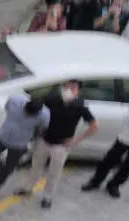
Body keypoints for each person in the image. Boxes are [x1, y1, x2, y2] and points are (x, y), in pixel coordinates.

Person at [16, 80, 98, 209]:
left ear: (78, 91)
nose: (68, 90)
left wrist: (76, 140)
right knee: (36, 166)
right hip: (44, 141)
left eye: (73, 87)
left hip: (61, 146)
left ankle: (47, 197)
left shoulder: (80, 106)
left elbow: (94, 126)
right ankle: (27, 188)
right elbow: (37, 109)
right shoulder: (52, 100)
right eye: (66, 86)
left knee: (54, 173)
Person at [0, 96, 49, 197]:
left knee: (8, 167)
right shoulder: (14, 101)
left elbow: (41, 130)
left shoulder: (45, 116)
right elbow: (7, 108)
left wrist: (30, 138)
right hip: (2, 137)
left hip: (19, 144)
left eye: (31, 115)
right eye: (26, 112)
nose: (27, 115)